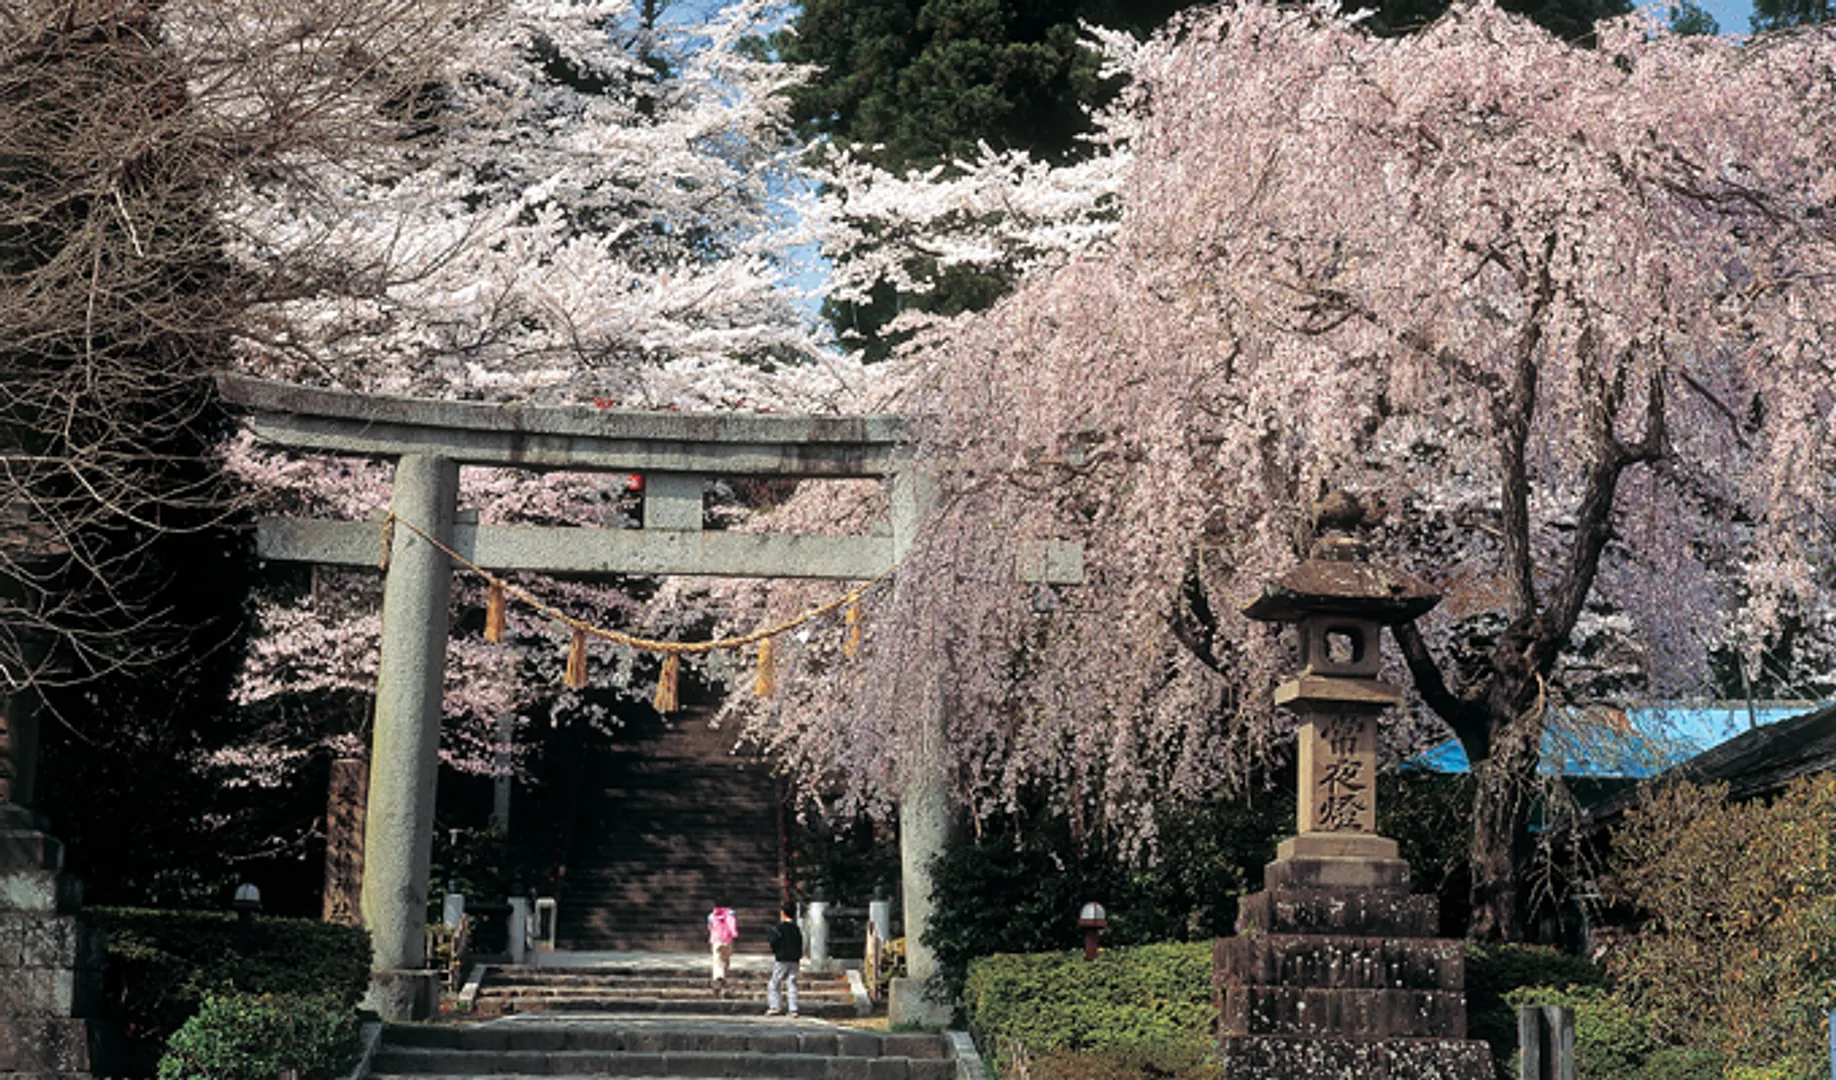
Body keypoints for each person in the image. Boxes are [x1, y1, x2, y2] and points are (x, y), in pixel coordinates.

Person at [764, 902, 802, 1017]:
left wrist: (776, 951)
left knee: (774, 983)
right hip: (794, 959)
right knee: (792, 983)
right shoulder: (796, 928)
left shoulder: (778, 928)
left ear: (783, 913)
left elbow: (773, 942)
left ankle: (775, 1006)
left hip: (782, 958)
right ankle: (793, 1008)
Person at [707, 903, 738, 994]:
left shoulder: (711, 916)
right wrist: (734, 933)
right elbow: (733, 926)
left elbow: (710, 927)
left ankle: (718, 977)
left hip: (716, 940)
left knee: (717, 960)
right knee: (726, 960)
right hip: (727, 940)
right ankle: (723, 976)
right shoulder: (731, 915)